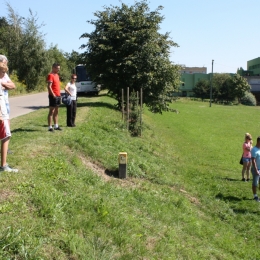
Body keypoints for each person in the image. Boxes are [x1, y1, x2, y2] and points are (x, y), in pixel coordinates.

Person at [0, 62, 18, 172]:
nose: (4, 74)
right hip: (2, 112)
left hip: (3, 110)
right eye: (2, 72)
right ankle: (4, 165)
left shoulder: (2, 78)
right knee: (6, 136)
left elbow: (13, 85)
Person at [47, 63, 62, 132]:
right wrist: (53, 95)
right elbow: (49, 86)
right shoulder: (50, 75)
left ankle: (56, 125)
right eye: (57, 68)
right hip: (53, 96)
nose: (58, 69)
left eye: (59, 68)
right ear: (53, 68)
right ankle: (50, 127)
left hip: (58, 95)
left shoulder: (57, 75)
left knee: (56, 111)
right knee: (51, 111)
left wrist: (59, 95)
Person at [251, 136, 260, 201]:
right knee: (255, 183)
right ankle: (255, 196)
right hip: (256, 169)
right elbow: (253, 160)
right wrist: (256, 170)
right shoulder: (254, 149)